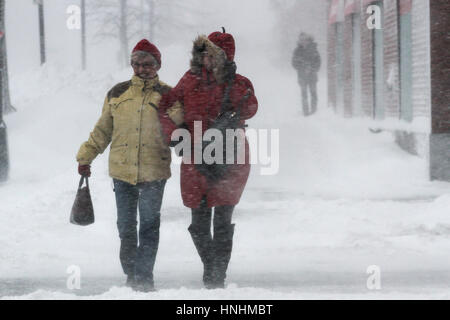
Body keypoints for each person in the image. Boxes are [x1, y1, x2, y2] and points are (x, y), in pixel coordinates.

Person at [158, 29, 258, 289]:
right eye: (204, 54)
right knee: (199, 221)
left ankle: (217, 278)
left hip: (231, 154)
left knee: (223, 219)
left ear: (226, 57)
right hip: (195, 154)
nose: (208, 60)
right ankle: (211, 267)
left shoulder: (239, 82)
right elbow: (165, 106)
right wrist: (176, 134)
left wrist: (232, 82)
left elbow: (251, 108)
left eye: (214, 55)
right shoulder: (189, 79)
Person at [76, 39, 172, 292]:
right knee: (126, 227)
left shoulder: (168, 94)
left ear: (158, 65)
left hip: (155, 170)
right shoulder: (117, 93)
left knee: (150, 225)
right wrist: (86, 156)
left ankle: (144, 278)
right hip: (122, 171)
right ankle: (132, 275)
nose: (142, 69)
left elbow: (180, 130)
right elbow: (103, 129)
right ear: (131, 65)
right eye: (137, 64)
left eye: (147, 64)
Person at [292, 32, 321, 116]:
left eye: (304, 39)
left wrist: (312, 69)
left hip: (312, 77)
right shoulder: (297, 51)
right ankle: (306, 112)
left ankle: (314, 111)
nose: (303, 41)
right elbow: (294, 63)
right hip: (302, 77)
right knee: (304, 95)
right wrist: (302, 67)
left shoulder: (313, 49)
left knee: (313, 94)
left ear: (308, 40)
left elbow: (318, 62)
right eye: (301, 40)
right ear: (299, 40)